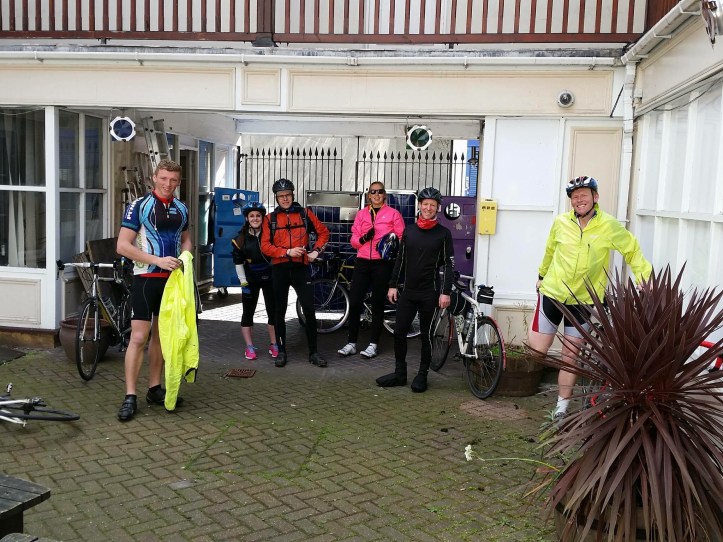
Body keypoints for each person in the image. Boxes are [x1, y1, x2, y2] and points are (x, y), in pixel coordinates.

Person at [528, 175, 651, 420]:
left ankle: (561, 408)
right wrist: (541, 275)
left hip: (583, 301)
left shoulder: (609, 226)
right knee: (537, 351)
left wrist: (644, 279)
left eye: (584, 195)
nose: (579, 200)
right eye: (574, 197)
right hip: (553, 293)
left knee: (570, 357)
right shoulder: (561, 222)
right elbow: (550, 251)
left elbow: (632, 251)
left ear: (595, 197)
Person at [116, 159, 192, 422]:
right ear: (154, 178)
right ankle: (130, 396)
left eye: (173, 180)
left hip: (172, 282)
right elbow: (122, 246)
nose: (168, 184)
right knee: (139, 337)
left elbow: (186, 240)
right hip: (145, 278)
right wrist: (157, 260)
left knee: (161, 337)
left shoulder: (182, 208)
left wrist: (185, 256)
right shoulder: (139, 206)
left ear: (178, 182)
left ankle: (154, 389)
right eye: (163, 178)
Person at [376, 187, 454, 393]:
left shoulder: (443, 234)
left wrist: (445, 292)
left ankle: (422, 375)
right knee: (399, 332)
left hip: (430, 293)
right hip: (409, 292)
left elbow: (448, 265)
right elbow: (400, 259)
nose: (428, 208)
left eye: (432, 205)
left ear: (438, 208)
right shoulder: (409, 231)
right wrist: (393, 284)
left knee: (426, 336)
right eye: (425, 204)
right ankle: (400, 374)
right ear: (419, 205)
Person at [260, 178, 330, 368]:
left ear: (293, 195)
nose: (285, 199)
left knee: (309, 310)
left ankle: (313, 352)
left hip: (301, 269)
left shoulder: (305, 214)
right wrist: (287, 252)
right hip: (279, 269)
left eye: (288, 195)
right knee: (279, 312)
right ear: (276, 198)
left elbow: (324, 233)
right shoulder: (270, 219)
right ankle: (281, 352)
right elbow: (265, 246)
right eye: (281, 196)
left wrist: (316, 251)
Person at [337, 181, 405, 359]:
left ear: (384, 195)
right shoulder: (361, 214)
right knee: (355, 301)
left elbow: (401, 238)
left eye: (379, 191)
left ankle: (373, 344)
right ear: (368, 195)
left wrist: (392, 246)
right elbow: (354, 239)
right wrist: (364, 239)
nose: (376, 194)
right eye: (373, 192)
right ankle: (352, 343)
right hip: (362, 261)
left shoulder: (393, 214)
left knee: (377, 304)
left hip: (382, 263)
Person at [231, 201, 278, 361]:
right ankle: (249, 346)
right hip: (251, 279)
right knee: (248, 313)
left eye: (258, 215)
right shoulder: (240, 239)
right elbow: (238, 263)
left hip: (270, 277)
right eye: (252, 216)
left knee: (273, 312)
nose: (255, 218)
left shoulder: (271, 236)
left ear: (263, 218)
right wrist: (243, 283)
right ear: (247, 218)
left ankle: (274, 343)